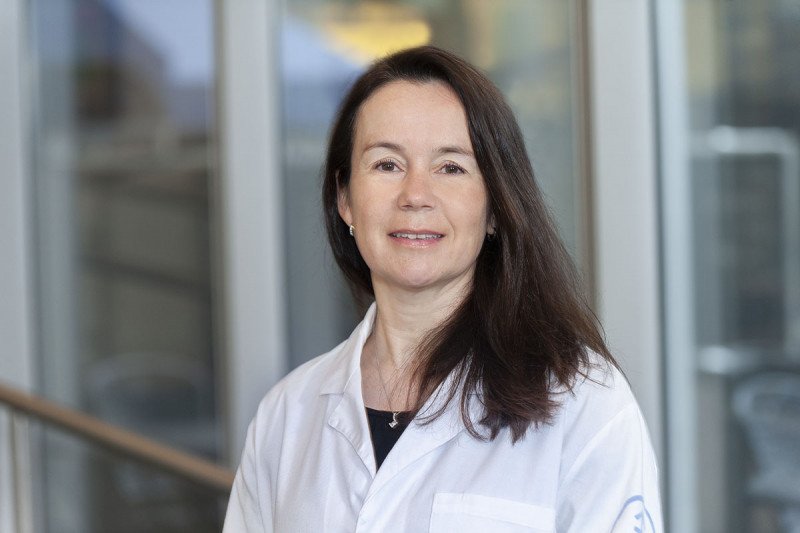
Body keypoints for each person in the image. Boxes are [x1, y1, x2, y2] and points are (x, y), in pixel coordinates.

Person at [224, 46, 662, 532]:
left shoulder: (584, 403)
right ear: (345, 198)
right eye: (387, 164)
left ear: (495, 207)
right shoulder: (287, 416)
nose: (415, 196)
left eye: (450, 167)